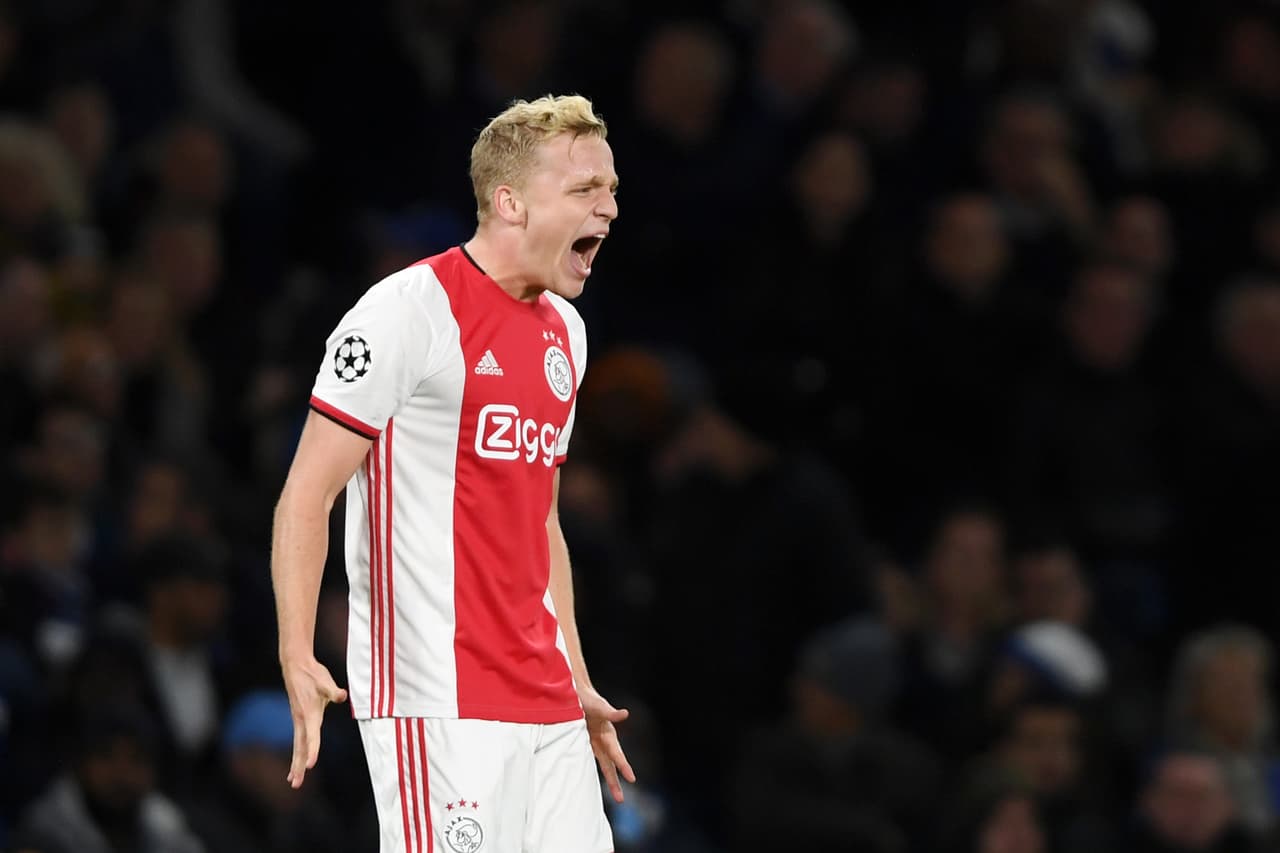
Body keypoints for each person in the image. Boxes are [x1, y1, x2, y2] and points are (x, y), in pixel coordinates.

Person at [271, 94, 628, 853]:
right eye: (584, 189)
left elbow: (540, 519)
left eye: (611, 188)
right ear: (510, 203)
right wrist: (297, 651)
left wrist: (576, 674)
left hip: (548, 704)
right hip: (436, 697)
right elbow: (307, 493)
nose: (609, 208)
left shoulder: (567, 332)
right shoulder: (408, 312)